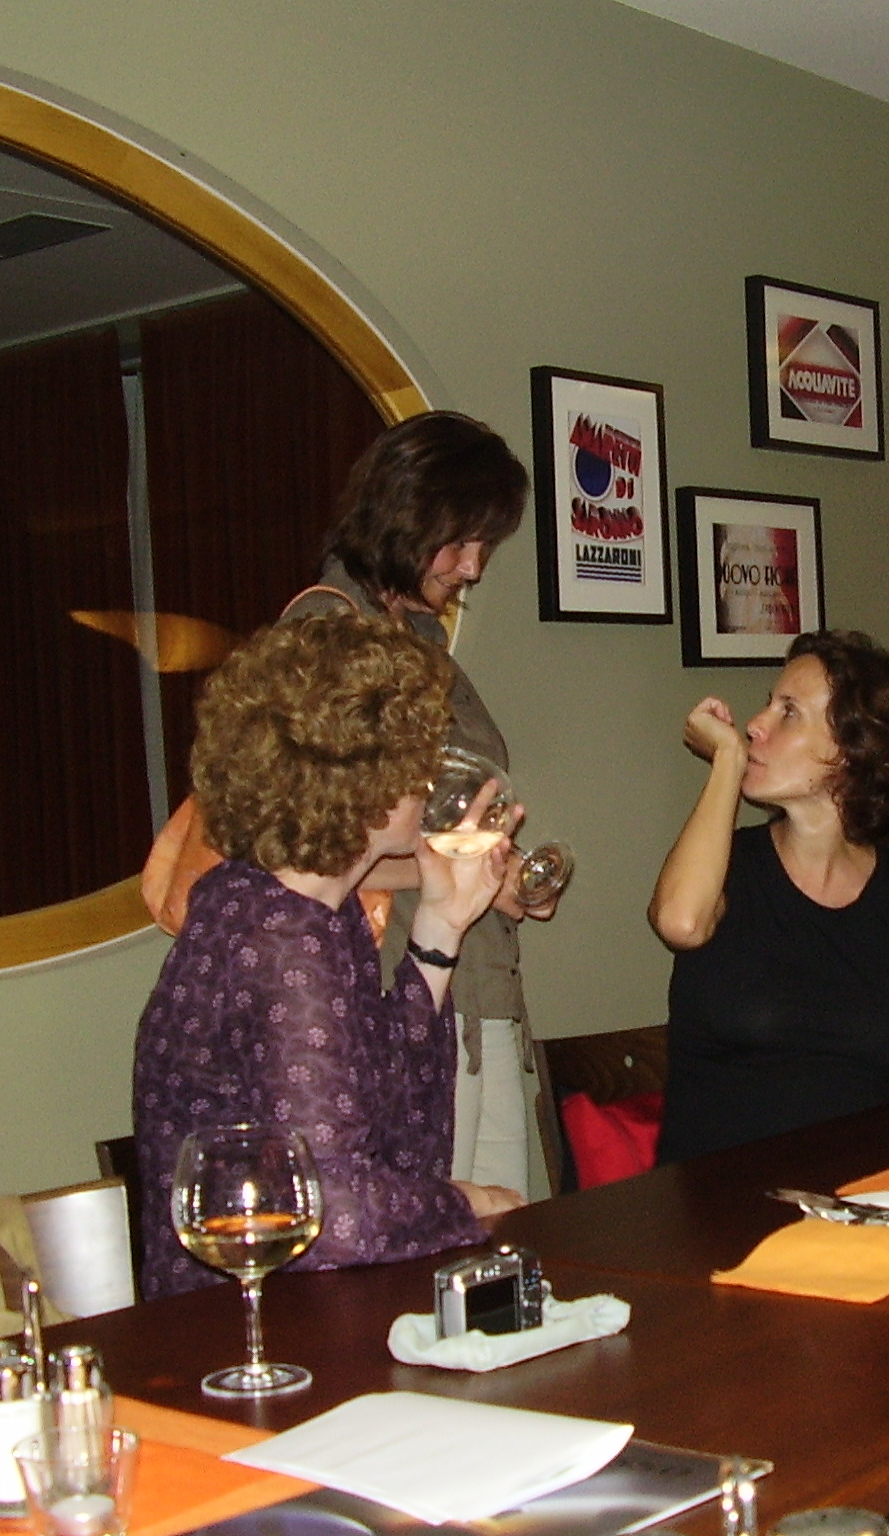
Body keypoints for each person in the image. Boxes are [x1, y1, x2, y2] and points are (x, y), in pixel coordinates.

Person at [132, 611, 517, 1300]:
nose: (429, 781)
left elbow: (399, 1136)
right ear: (371, 784)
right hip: (236, 1325)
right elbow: (332, 1220)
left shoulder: (296, 907)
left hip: (308, 1307)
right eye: (419, 760)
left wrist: (442, 925)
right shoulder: (279, 936)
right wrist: (469, 1202)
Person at [283, 411, 552, 1201]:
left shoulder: (420, 639)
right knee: (428, 1240)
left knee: (497, 1231)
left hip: (472, 989)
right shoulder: (330, 631)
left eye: (484, 545)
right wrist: (469, 873)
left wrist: (498, 873)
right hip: (391, 996)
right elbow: (306, 850)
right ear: (403, 515)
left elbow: (438, 817)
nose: (473, 567)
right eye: (459, 542)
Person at [649, 629, 889, 1163]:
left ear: (851, 751)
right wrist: (727, 761)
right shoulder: (726, 867)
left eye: (789, 712)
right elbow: (681, 923)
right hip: (715, 1199)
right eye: (768, 705)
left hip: (856, 1198)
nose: (755, 724)